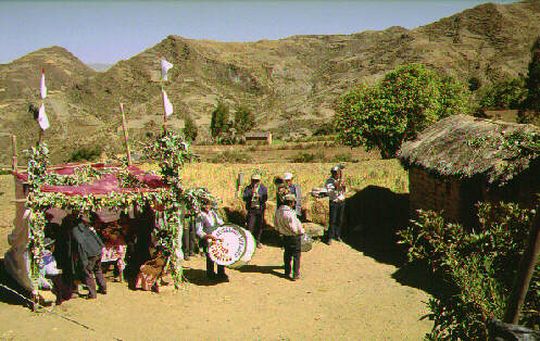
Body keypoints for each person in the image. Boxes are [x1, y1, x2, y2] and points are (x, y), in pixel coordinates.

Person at [71, 215, 107, 299]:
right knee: (98, 269)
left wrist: (84, 261)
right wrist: (102, 247)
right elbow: (96, 237)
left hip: (90, 254)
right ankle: (103, 288)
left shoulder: (75, 231)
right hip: (98, 250)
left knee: (87, 273)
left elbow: (81, 246)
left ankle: (92, 294)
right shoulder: (87, 227)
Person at [274, 194, 305, 281]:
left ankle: (287, 272)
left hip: (284, 236)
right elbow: (294, 228)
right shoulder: (290, 214)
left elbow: (276, 225)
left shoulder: (278, 211)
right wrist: (301, 232)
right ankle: (295, 274)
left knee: (287, 254)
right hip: (293, 237)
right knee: (296, 255)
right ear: (291, 202)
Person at [196, 199, 228, 281]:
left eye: (208, 204)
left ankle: (221, 273)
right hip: (208, 238)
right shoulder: (200, 215)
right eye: (205, 205)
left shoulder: (213, 213)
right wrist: (207, 236)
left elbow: (220, 222)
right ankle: (210, 274)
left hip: (217, 236)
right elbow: (198, 230)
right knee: (210, 256)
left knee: (221, 253)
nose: (207, 206)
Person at [242, 174, 268, 248]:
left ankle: (257, 241)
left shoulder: (263, 188)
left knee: (259, 226)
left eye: (257, 181)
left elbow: (265, 198)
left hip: (260, 209)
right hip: (252, 209)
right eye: (253, 180)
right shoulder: (248, 188)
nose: (255, 182)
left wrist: (259, 196)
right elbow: (244, 198)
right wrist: (251, 194)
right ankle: (250, 242)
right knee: (250, 226)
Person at [324, 166, 346, 245]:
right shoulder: (329, 181)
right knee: (332, 220)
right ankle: (330, 237)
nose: (337, 174)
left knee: (340, 219)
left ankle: (338, 235)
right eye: (335, 173)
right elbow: (332, 192)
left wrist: (342, 185)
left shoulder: (341, 180)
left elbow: (344, 190)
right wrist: (338, 184)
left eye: (338, 173)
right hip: (334, 202)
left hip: (341, 202)